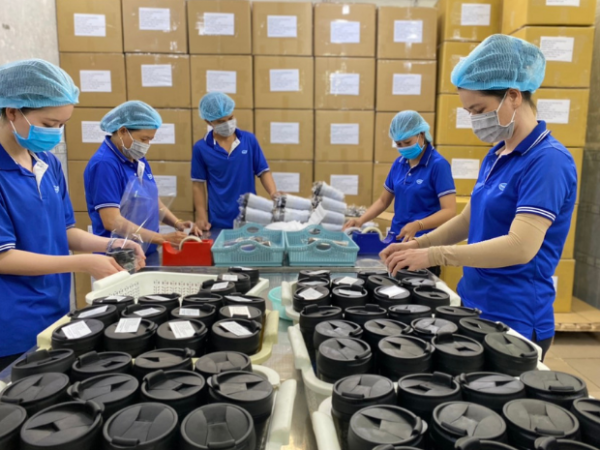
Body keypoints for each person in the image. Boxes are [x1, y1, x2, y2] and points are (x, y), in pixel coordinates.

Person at [381, 35, 577, 359]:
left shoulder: (548, 161)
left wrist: (435, 256)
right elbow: (466, 220)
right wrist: (417, 245)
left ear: (513, 95)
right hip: (474, 303)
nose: (474, 120)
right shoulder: (497, 154)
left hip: (514, 317)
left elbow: (521, 246)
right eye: (469, 112)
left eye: (479, 110)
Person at [0, 59, 144, 370]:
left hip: (53, 312)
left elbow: (65, 231)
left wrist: (112, 245)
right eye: (49, 124)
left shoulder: (47, 164)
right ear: (12, 112)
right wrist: (83, 263)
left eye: (62, 125)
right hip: (10, 325)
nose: (56, 133)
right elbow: (3, 257)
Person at [84, 101, 201, 266]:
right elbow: (112, 221)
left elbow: (151, 200)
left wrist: (177, 223)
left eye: (150, 140)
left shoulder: (136, 158)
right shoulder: (105, 164)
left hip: (144, 252)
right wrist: (161, 238)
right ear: (123, 131)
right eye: (144, 139)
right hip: (118, 258)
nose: (146, 145)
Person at [344, 111, 456, 277]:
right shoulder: (399, 164)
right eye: (399, 144)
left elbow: (449, 211)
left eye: (407, 142)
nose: (404, 148)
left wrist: (418, 225)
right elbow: (383, 201)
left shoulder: (438, 165)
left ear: (421, 135)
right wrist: (360, 220)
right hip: (397, 243)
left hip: (423, 247)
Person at [192, 92, 277, 230]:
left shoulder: (249, 140)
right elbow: (198, 184)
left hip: (249, 215)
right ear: (208, 121)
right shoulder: (201, 148)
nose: (227, 124)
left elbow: (263, 171)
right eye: (221, 121)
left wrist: (273, 193)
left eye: (230, 118)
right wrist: (201, 216)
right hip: (219, 219)